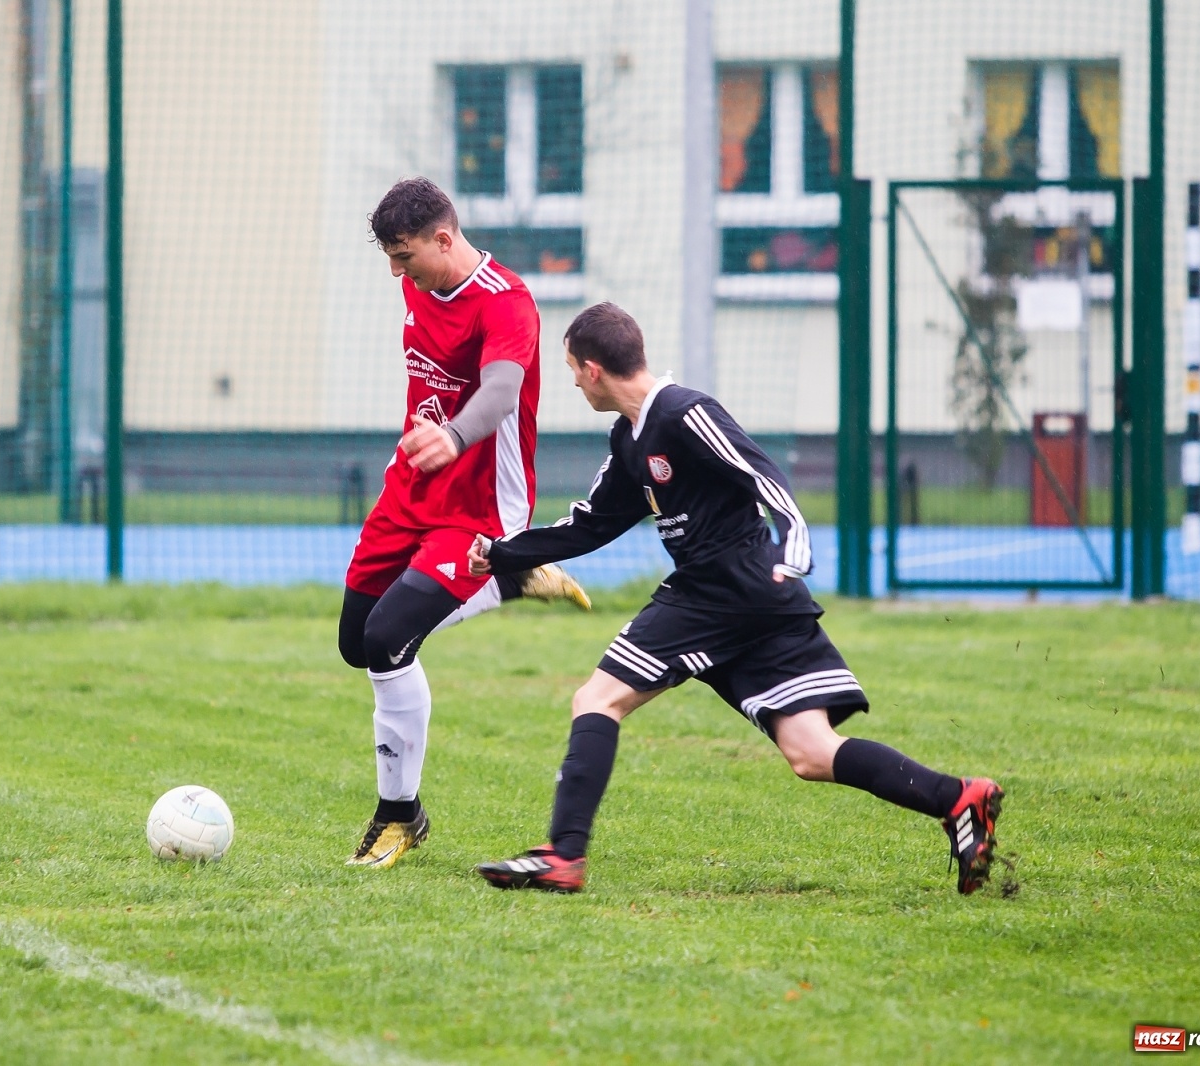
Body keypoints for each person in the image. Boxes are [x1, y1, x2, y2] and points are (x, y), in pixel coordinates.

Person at [468, 302, 1004, 894]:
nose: (571, 381)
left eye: (572, 368)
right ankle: (958, 798)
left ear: (593, 369)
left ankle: (563, 855)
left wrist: (793, 545)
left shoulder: (684, 411)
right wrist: (504, 553)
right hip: (754, 599)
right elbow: (592, 523)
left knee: (598, 698)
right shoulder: (629, 437)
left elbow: (763, 475)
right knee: (811, 752)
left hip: (724, 590)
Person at [338, 177, 591, 869]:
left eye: (404, 256)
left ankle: (399, 816)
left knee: (389, 638)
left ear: (444, 240)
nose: (397, 273)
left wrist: (453, 436)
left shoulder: (507, 303)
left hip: (479, 509)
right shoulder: (419, 283)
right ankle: (511, 580)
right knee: (358, 642)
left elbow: (502, 392)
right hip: (409, 490)